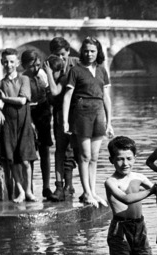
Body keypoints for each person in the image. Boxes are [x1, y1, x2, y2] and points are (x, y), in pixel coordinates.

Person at [62, 36, 112, 207]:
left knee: (95, 157)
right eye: (86, 51)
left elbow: (106, 97)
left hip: (98, 113)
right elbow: (67, 97)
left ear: (97, 52)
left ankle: (93, 192)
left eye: (92, 51)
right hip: (81, 114)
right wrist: (65, 121)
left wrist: (109, 122)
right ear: (81, 52)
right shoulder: (75, 70)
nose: (89, 54)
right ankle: (87, 193)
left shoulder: (102, 70)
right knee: (85, 156)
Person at [104, 136, 156, 255]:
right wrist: (151, 191)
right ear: (111, 160)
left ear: (135, 158)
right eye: (120, 159)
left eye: (129, 158)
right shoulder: (111, 182)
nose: (125, 163)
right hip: (120, 230)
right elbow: (126, 199)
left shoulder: (139, 177)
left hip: (139, 227)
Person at [0, 48, 37, 203]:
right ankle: (21, 191)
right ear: (2, 63)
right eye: (5, 62)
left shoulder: (24, 80)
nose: (8, 64)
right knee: (12, 160)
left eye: (12, 61)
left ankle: (29, 190)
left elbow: (23, 100)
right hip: (9, 124)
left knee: (25, 160)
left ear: (17, 63)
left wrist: (5, 99)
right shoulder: (0, 83)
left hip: (24, 123)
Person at [21, 49, 60, 201]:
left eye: (38, 65)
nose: (36, 68)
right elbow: (25, 101)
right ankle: (29, 187)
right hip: (28, 111)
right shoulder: (22, 78)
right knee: (30, 152)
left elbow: (49, 93)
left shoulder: (42, 74)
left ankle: (46, 187)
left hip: (43, 112)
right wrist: (29, 122)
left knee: (45, 149)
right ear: (24, 65)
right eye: (32, 66)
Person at [48, 37, 79, 201]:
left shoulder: (77, 63)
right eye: (56, 55)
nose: (60, 58)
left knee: (75, 150)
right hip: (60, 112)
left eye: (62, 54)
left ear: (68, 51)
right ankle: (60, 187)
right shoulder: (52, 66)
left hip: (76, 112)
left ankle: (70, 185)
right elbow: (52, 93)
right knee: (61, 149)